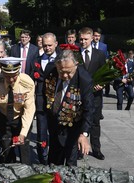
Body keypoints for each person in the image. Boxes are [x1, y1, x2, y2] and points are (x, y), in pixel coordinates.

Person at [0, 57, 35, 164]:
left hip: (21, 118)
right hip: (5, 118)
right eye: (7, 75)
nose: (11, 79)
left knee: (23, 149)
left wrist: (23, 133)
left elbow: (29, 110)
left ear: (19, 71)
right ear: (2, 71)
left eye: (14, 76)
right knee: (7, 150)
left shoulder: (27, 83)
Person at [46, 49, 94, 166]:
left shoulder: (84, 79)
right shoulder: (50, 70)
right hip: (54, 125)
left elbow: (89, 109)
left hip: (72, 127)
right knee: (53, 161)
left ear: (76, 65)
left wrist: (84, 134)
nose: (65, 75)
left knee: (70, 163)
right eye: (61, 71)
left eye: (69, 72)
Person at [30, 32, 60, 165]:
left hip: (56, 102)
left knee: (55, 132)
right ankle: (42, 159)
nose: (47, 48)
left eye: (50, 45)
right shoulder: (36, 60)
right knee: (41, 132)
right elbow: (30, 80)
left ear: (55, 44)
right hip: (41, 102)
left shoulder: (61, 59)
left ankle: (55, 158)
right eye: (45, 45)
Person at [79, 27, 106, 160]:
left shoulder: (99, 54)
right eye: (81, 39)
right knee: (79, 122)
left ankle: (96, 149)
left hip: (96, 95)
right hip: (79, 95)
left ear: (91, 38)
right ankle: (78, 149)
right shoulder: (75, 53)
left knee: (95, 123)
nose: (83, 42)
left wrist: (102, 84)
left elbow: (105, 73)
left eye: (85, 39)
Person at [92, 27, 110, 97]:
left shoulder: (104, 46)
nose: (97, 38)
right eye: (95, 36)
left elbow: (105, 58)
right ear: (92, 36)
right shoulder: (89, 44)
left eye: (98, 36)